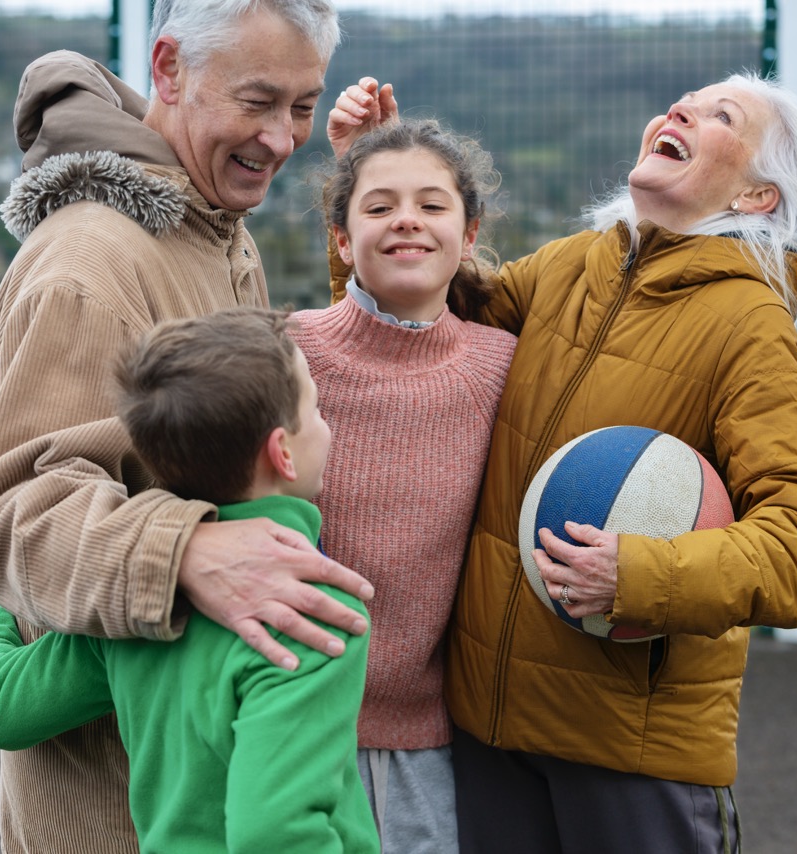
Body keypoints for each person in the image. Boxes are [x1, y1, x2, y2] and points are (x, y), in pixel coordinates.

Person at [329, 71, 797, 852]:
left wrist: (640, 576)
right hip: (489, 732)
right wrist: (375, 172)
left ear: (755, 198)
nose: (681, 109)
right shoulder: (573, 265)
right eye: (685, 100)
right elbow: (417, 313)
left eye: (721, 116)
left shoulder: (747, 321)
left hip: (628, 755)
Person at [0, 3, 376, 850]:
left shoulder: (217, 230)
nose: (284, 136)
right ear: (170, 68)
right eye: (257, 100)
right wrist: (182, 553)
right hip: (108, 813)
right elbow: (12, 516)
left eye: (303, 105)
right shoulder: (88, 269)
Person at [0, 308, 379, 854]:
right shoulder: (311, 612)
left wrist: (6, 575)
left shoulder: (137, 610)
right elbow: (275, 832)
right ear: (282, 452)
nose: (324, 425)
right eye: (316, 409)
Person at [291, 119, 516, 852]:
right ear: (341, 238)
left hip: (434, 746)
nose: (408, 221)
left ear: (470, 230)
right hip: (286, 724)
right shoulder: (282, 353)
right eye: (380, 206)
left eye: (432, 204)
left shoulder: (505, 368)